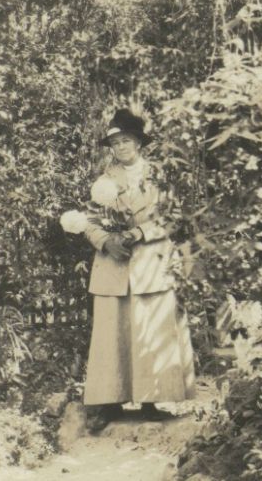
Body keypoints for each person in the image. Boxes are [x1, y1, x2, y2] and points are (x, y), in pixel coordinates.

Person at [82, 108, 195, 432]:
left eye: (126, 140)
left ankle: (152, 400)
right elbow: (90, 221)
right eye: (115, 142)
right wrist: (106, 241)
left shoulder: (158, 178)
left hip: (150, 262)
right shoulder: (104, 182)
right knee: (111, 333)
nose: (121, 147)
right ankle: (110, 401)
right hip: (113, 264)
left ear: (139, 143)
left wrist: (142, 232)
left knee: (151, 327)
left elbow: (172, 217)